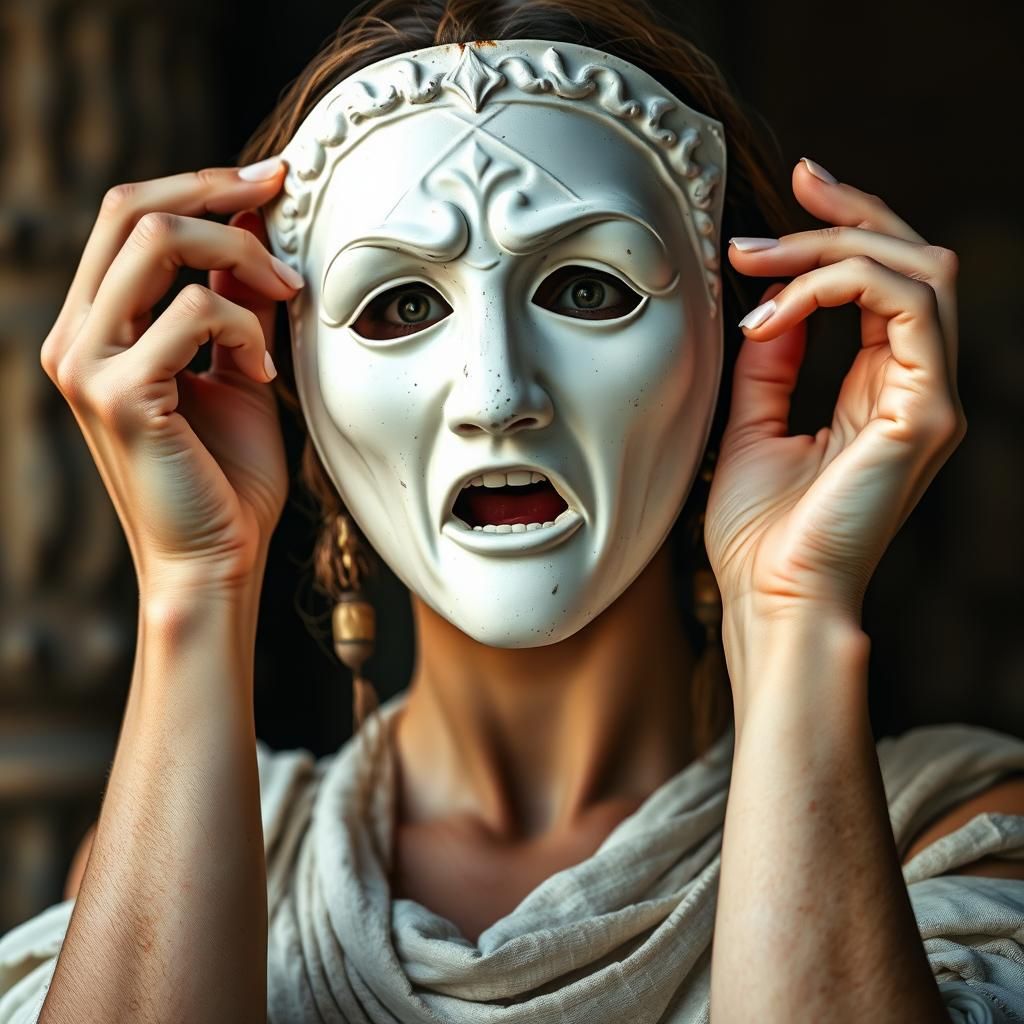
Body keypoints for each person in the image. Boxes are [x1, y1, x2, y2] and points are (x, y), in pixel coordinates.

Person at [2, 0, 1024, 1021]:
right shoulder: (179, 860)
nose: (496, 396)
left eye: (587, 290)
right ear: (291, 370)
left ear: (734, 338)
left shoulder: (946, 837)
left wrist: (790, 608)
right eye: (402, 305)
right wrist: (194, 585)